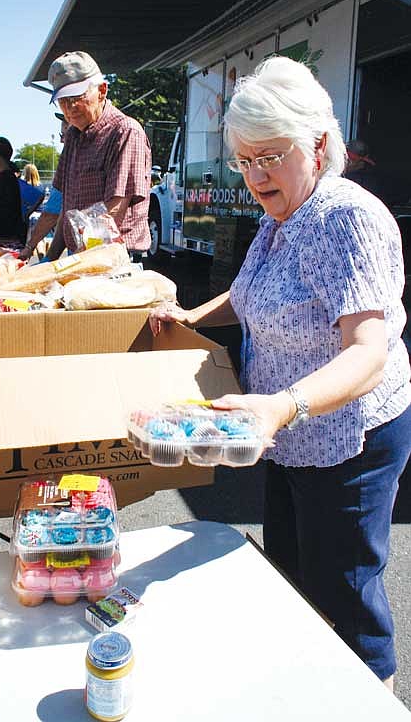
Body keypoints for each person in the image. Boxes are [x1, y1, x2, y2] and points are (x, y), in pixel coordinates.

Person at [150, 56, 411, 691]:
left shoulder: (348, 218)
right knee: (294, 571)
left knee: (345, 590)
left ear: (319, 144)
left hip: (348, 438)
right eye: (244, 159)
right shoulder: (280, 216)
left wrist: (281, 405)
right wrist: (189, 314)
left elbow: (368, 351)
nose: (254, 174)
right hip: (289, 431)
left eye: (269, 155)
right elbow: (246, 294)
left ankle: (368, 694)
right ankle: (309, 685)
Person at [45, 50, 151, 262]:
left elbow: (114, 211)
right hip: (83, 257)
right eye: (63, 101)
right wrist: (51, 258)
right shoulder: (73, 136)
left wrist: (79, 263)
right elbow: (67, 209)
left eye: (77, 97)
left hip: (116, 258)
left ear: (102, 90)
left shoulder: (125, 131)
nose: (70, 108)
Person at [19, 113, 67, 260]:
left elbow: (52, 214)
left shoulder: (68, 161)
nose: (61, 140)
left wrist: (29, 247)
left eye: (63, 134)